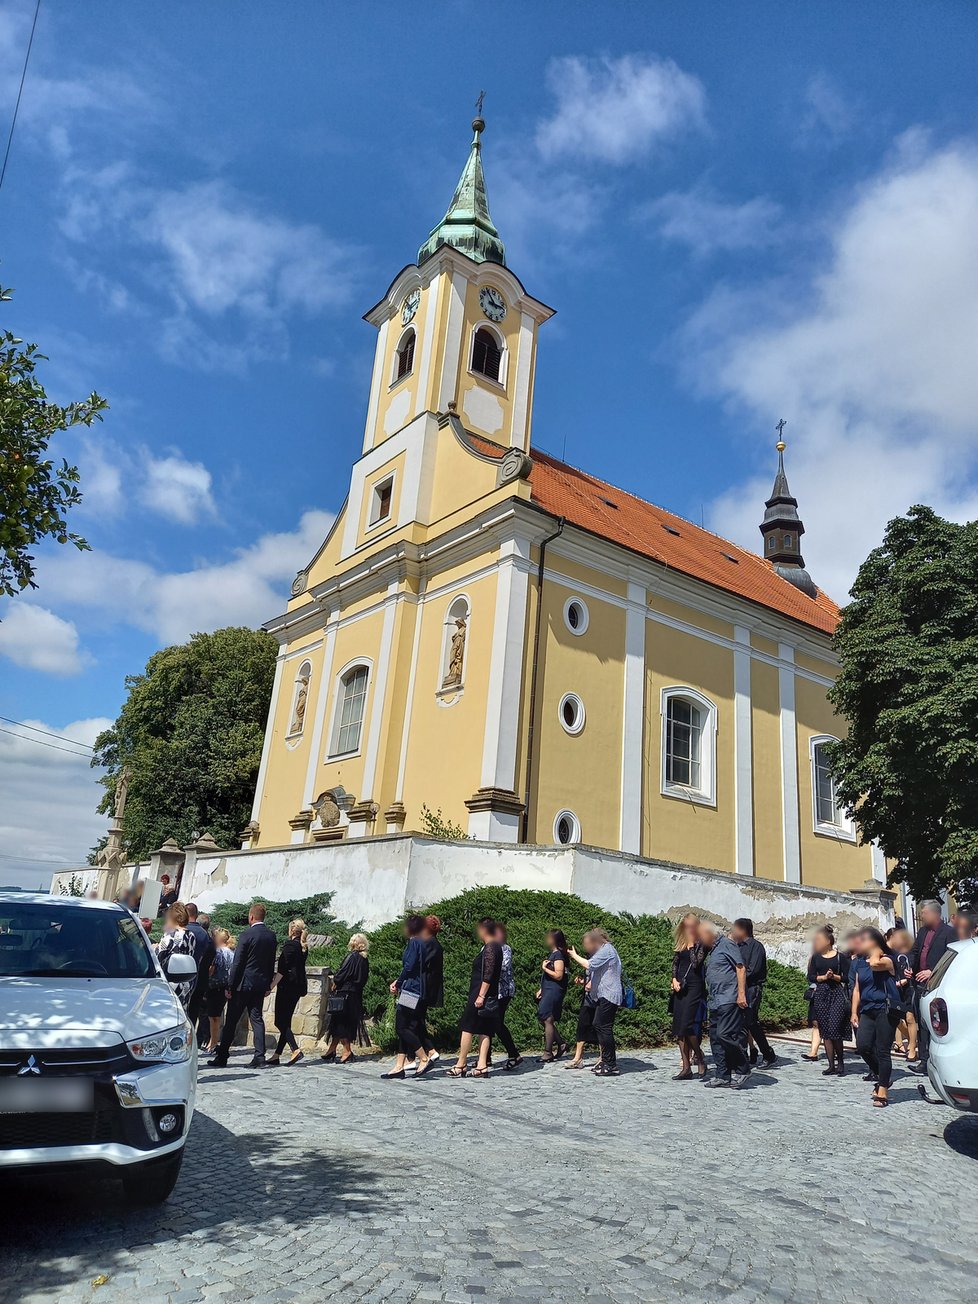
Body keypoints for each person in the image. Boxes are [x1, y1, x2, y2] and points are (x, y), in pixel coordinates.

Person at [207, 903, 277, 1069]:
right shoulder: (271, 936)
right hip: (259, 984)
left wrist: (230, 985)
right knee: (257, 1019)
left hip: (243, 985)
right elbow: (270, 962)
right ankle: (260, 1056)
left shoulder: (247, 934)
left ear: (251, 917)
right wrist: (267, 984)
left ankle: (222, 1056)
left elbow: (238, 962)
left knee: (231, 1020)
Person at [851, 926, 901, 1107]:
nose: (859, 943)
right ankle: (884, 1077)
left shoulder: (888, 959)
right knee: (863, 1046)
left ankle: (883, 1090)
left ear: (873, 941)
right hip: (867, 1009)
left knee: (882, 1050)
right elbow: (857, 988)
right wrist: (854, 1012)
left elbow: (874, 964)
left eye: (863, 940)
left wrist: (878, 950)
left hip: (885, 1009)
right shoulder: (859, 962)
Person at [448, 918, 502, 1078]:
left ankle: (461, 1064)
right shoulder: (495, 947)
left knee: (467, 1027)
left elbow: (488, 974)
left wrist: (481, 995)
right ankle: (481, 1066)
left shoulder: (491, 947)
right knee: (485, 1029)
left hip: (481, 993)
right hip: (487, 993)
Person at [699, 920, 750, 1089]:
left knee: (724, 1034)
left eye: (701, 935)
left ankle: (743, 1069)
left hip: (729, 998)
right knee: (715, 1038)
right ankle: (723, 1075)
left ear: (709, 933)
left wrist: (741, 994)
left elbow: (740, 968)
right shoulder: (713, 950)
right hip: (715, 1001)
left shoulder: (727, 945)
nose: (700, 939)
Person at [908, 900, 956, 1072]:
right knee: (922, 1022)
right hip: (920, 984)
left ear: (935, 913)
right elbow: (915, 952)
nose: (922, 916)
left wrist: (932, 972)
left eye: (925, 913)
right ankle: (923, 1060)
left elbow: (951, 960)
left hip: (937, 985)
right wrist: (909, 970)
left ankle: (939, 1061)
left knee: (936, 1023)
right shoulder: (922, 932)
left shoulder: (949, 933)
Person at [382, 915, 430, 1080]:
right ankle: (399, 1066)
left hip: (410, 990)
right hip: (416, 989)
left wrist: (398, 983)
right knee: (406, 1027)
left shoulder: (413, 943)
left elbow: (409, 967)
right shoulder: (422, 943)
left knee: (401, 1027)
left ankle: (424, 1058)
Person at [574, 928, 622, 1078]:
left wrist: (573, 955)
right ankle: (606, 1061)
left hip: (609, 994)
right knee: (598, 1024)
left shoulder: (607, 950)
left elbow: (590, 965)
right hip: (603, 994)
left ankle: (610, 1064)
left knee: (603, 1026)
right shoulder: (605, 951)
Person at [730, 918, 777, 1069]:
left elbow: (752, 970)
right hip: (738, 988)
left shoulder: (756, 947)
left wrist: (738, 976)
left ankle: (767, 1053)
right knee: (742, 1023)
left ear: (743, 930)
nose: (733, 932)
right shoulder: (736, 946)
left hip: (751, 989)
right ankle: (744, 1056)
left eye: (735, 929)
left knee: (750, 1022)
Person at [806, 925, 849, 1076]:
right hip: (822, 994)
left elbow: (847, 977)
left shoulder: (840, 957)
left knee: (835, 1028)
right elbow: (810, 976)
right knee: (825, 1030)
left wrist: (834, 977)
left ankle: (841, 1062)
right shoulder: (816, 958)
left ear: (828, 941)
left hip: (836, 993)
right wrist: (823, 977)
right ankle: (831, 1064)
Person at [321, 934, 370, 1063]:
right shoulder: (364, 959)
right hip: (356, 994)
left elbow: (341, 974)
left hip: (345, 993)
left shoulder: (352, 957)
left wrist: (335, 980)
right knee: (342, 1023)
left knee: (340, 1023)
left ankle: (347, 1051)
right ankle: (332, 1049)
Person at [670, 913, 707, 1080]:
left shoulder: (702, 942)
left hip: (695, 986)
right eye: (686, 926)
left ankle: (699, 1056)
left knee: (688, 1025)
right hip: (681, 987)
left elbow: (696, 964)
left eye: (692, 926)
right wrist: (674, 980)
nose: (689, 929)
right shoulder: (681, 941)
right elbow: (676, 962)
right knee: (679, 1029)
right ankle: (686, 1068)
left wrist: (691, 946)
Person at [267, 919, 309, 1066]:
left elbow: (282, 970)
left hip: (287, 987)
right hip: (297, 987)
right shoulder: (302, 946)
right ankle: (277, 1054)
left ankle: (295, 1049)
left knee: (280, 1021)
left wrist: (270, 987)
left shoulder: (290, 945)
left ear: (291, 930)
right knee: (286, 1021)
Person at [565, 932, 600, 1070]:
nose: (585, 946)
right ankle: (578, 1058)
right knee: (582, 1025)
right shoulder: (589, 956)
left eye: (587, 943)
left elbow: (599, 971)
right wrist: (583, 981)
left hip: (600, 998)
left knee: (599, 1027)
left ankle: (603, 1058)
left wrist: (574, 955)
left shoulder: (601, 955)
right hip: (588, 998)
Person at [536, 928, 570, 1063]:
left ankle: (548, 1052)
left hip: (554, 990)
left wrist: (544, 968)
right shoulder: (553, 954)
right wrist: (542, 988)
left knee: (547, 1018)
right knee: (543, 1017)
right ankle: (561, 1043)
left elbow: (558, 975)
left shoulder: (558, 956)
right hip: (548, 989)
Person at [185, 903, 216, 1048]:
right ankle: (190, 1043)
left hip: (183, 979)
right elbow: (211, 956)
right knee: (193, 1013)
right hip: (201, 978)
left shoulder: (183, 931)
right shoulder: (205, 935)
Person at [156, 902, 197, 1011]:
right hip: (185, 983)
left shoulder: (171, 935)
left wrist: (155, 947)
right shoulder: (191, 935)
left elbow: (158, 957)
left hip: (170, 983)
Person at [416, 915, 444, 1068]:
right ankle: (428, 1050)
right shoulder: (428, 943)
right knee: (414, 1020)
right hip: (419, 988)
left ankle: (427, 1052)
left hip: (420, 989)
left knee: (410, 1021)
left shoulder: (431, 944)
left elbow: (420, 965)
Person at [494, 923, 523, 1071]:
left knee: (497, 1023)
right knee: (488, 1023)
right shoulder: (486, 947)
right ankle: (484, 1058)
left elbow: (503, 967)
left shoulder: (506, 949)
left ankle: (514, 1053)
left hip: (504, 991)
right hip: (491, 992)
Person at [886, 925, 917, 1062]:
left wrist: (906, 979)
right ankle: (909, 1041)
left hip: (908, 988)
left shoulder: (910, 952)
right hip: (895, 989)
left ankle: (912, 1048)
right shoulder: (889, 954)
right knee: (897, 1018)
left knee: (910, 1018)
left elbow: (914, 968)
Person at [204, 928, 234, 1053]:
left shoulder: (218, 952)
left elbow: (211, 970)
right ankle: (214, 1041)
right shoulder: (233, 953)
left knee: (213, 1017)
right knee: (217, 1016)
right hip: (226, 987)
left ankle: (213, 1042)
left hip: (214, 986)